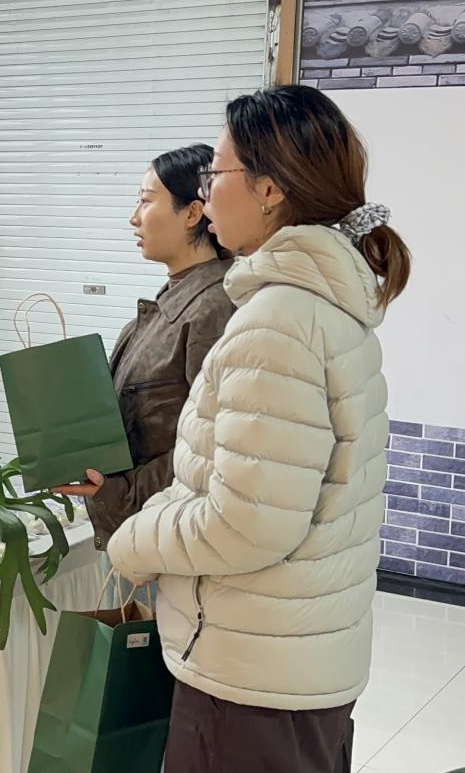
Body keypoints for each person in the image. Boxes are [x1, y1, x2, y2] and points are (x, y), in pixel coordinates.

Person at [108, 85, 410, 773]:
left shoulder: (278, 321)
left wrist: (133, 539)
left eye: (216, 173)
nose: (207, 194)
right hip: (294, 661)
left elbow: (246, 522)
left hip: (252, 677)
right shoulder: (325, 305)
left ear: (269, 188)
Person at [55, 145, 235, 558]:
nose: (134, 217)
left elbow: (215, 449)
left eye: (145, 200)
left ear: (192, 214)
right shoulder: (169, 304)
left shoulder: (214, 309)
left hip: (171, 541)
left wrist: (122, 491)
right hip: (141, 533)